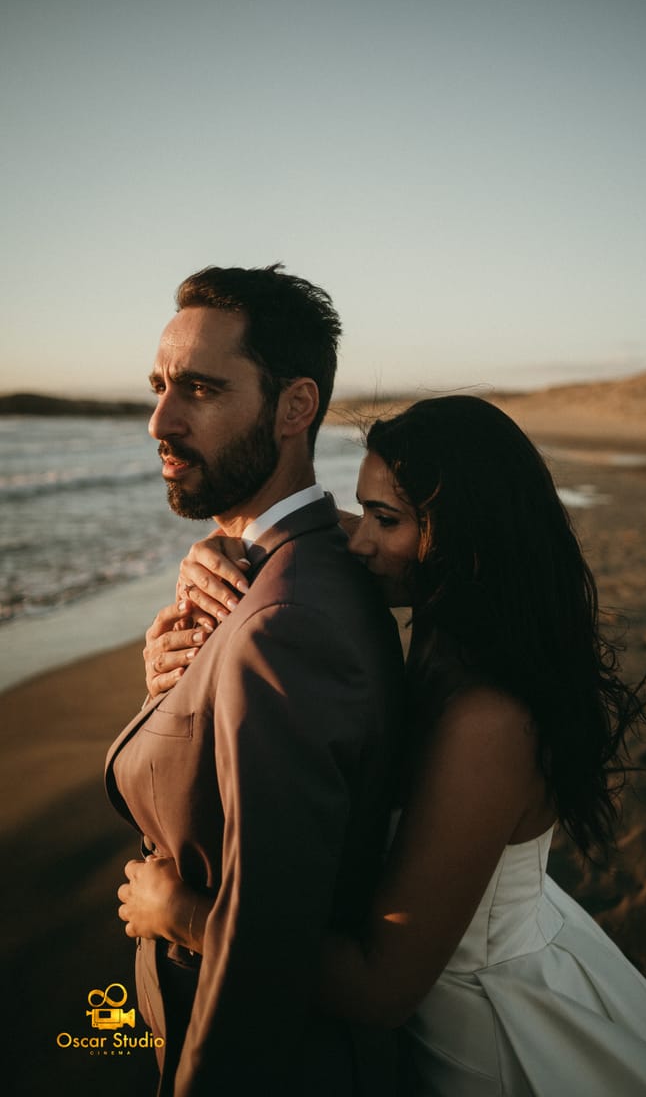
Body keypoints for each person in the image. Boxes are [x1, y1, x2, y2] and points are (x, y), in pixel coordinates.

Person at [119, 396, 646, 1097]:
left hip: (492, 1037)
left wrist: (182, 914)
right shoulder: (452, 625)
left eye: (386, 520)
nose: (360, 542)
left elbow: (379, 987)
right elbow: (320, 534)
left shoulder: (487, 719)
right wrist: (225, 549)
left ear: (465, 536)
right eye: (366, 510)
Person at [105, 265, 406, 1097]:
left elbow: (265, 951)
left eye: (200, 389)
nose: (161, 419)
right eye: (160, 386)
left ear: (294, 407)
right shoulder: (256, 574)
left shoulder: (288, 620)